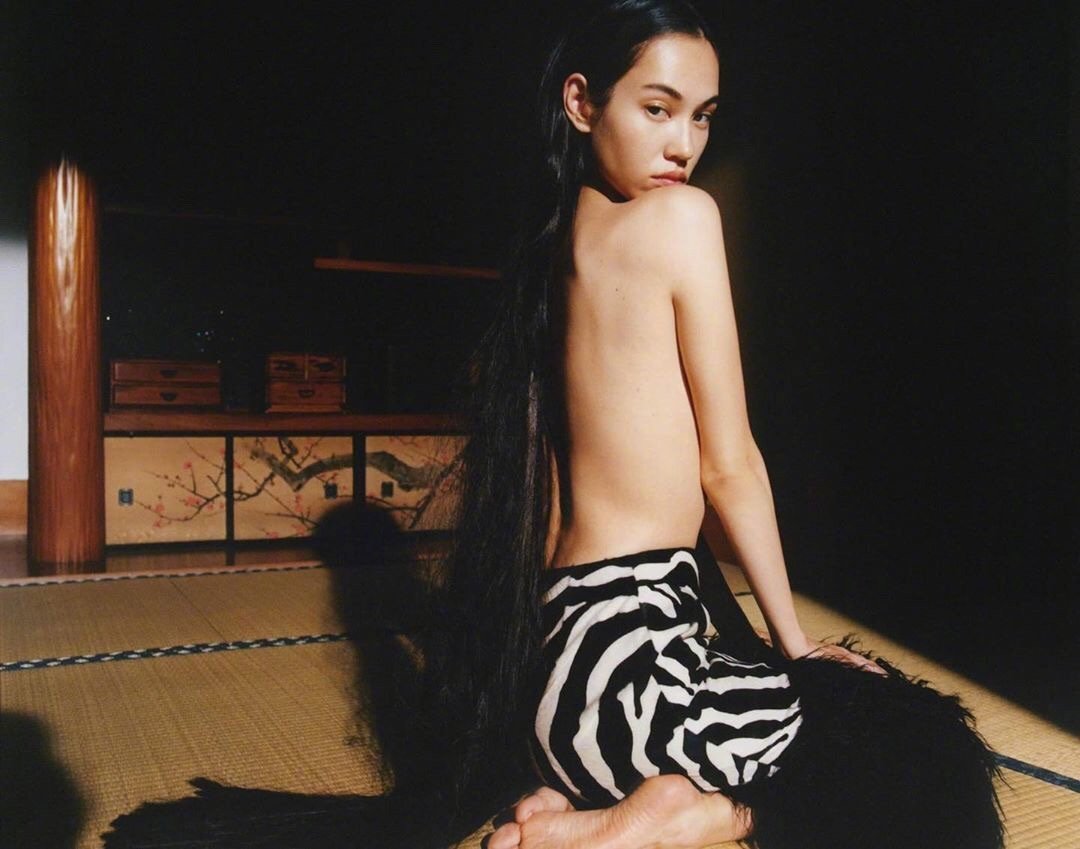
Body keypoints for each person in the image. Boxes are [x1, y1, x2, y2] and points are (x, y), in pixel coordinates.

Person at [105, 3, 1004, 848]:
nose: (684, 145)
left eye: (703, 117)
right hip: (634, 669)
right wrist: (796, 645)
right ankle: (688, 812)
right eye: (658, 109)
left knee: (838, 713)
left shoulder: (554, 249)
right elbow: (729, 465)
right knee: (916, 744)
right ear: (582, 102)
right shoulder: (682, 220)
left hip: (561, 685)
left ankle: (581, 806)